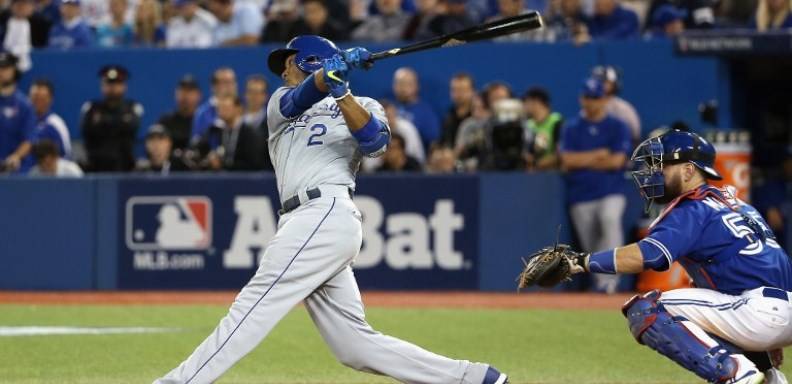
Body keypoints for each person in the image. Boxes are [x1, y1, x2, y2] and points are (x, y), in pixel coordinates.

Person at [153, 34, 509, 384]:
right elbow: (301, 97)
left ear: (308, 61)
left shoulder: (366, 104)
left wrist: (342, 91)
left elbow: (375, 144)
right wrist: (328, 77)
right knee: (355, 347)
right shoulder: (280, 102)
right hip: (302, 219)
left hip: (325, 211)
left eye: (289, 63)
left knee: (252, 308)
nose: (283, 71)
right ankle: (474, 378)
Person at [542, 129, 792, 384]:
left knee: (646, 309)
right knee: (706, 309)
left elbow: (649, 255)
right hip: (775, 309)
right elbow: (775, 264)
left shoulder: (693, 207)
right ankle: (770, 376)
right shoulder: (738, 205)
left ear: (688, 171)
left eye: (662, 166)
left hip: (758, 313)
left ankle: (736, 374)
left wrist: (580, 262)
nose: (653, 173)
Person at [559, 77, 632, 294]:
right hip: (580, 194)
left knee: (609, 220)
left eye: (595, 97)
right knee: (591, 245)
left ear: (603, 100)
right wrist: (598, 155)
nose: (590, 102)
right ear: (581, 99)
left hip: (611, 190)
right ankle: (602, 285)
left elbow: (617, 161)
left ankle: (610, 283)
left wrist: (583, 160)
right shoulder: (572, 127)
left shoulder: (617, 126)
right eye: (587, 97)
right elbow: (567, 161)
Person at [81, 65, 143, 172]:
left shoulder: (133, 107)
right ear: (102, 86)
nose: (113, 87)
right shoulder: (91, 108)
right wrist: (120, 122)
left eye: (117, 83)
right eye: (109, 83)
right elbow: (87, 131)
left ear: (124, 86)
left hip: (125, 168)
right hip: (96, 168)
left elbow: (132, 128)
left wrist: (103, 122)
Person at [193, 94, 262, 171]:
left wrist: (223, 165)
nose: (221, 111)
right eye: (219, 108)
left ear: (238, 108)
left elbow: (254, 163)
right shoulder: (217, 131)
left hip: (244, 180)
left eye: (225, 108)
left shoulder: (249, 133)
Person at [0, 52, 34, 174]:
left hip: (16, 170)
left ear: (14, 70)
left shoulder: (24, 105)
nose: (1, 72)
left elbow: (28, 140)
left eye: (5, 68)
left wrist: (16, 157)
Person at [392, 67, 441, 151]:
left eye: (407, 84)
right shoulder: (391, 109)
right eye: (399, 84)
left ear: (416, 86)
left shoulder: (426, 113)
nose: (403, 88)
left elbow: (433, 143)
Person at [591, 65, 641, 141]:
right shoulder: (588, 107)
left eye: (604, 82)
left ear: (614, 84)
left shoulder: (623, 108)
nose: (600, 84)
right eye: (598, 81)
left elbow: (635, 137)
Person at [1, 0, 49, 71]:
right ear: (11, 7)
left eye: (25, 5)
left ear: (32, 7)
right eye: (19, 5)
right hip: (4, 60)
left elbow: (43, 46)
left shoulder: (42, 23)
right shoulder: (3, 20)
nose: (22, 8)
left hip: (34, 62)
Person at [158, 74, 202, 151]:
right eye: (182, 91)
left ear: (199, 95)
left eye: (190, 91)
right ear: (176, 94)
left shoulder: (204, 122)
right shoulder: (165, 121)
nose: (185, 96)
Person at [192, 67, 236, 142]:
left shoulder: (242, 108)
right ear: (214, 86)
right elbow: (196, 140)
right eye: (225, 82)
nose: (230, 86)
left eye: (232, 82)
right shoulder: (202, 113)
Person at [29, 78, 71, 158]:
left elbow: (66, 154)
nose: (37, 102)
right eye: (35, 98)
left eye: (42, 99)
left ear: (50, 99)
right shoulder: (20, 120)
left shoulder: (55, 123)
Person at [523, 87, 562, 170]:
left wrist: (536, 165)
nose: (524, 106)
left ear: (536, 102)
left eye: (526, 102)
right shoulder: (527, 125)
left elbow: (560, 154)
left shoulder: (556, 122)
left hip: (554, 177)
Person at [440, 72, 475, 147]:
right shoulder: (448, 116)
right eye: (454, 90)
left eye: (462, 90)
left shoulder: (477, 116)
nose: (458, 94)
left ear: (472, 91)